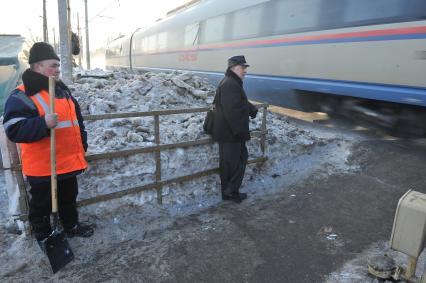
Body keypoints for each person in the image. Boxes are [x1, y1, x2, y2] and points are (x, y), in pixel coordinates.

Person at [2, 42, 94, 243]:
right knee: (42, 204)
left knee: (69, 198)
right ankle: (45, 236)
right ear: (37, 67)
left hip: (68, 160)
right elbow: (14, 128)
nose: (58, 69)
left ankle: (71, 226)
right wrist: (42, 123)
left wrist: (82, 144)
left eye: (58, 66)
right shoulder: (21, 95)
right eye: (53, 65)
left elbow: (76, 121)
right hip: (44, 165)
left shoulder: (61, 90)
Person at [212, 55, 258, 203]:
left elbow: (239, 101)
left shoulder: (232, 82)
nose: (245, 71)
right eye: (242, 68)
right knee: (234, 163)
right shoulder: (230, 84)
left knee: (232, 163)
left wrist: (251, 109)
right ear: (233, 68)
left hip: (229, 133)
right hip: (231, 134)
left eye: (245, 68)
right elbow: (232, 111)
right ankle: (231, 192)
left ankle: (230, 192)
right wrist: (240, 133)